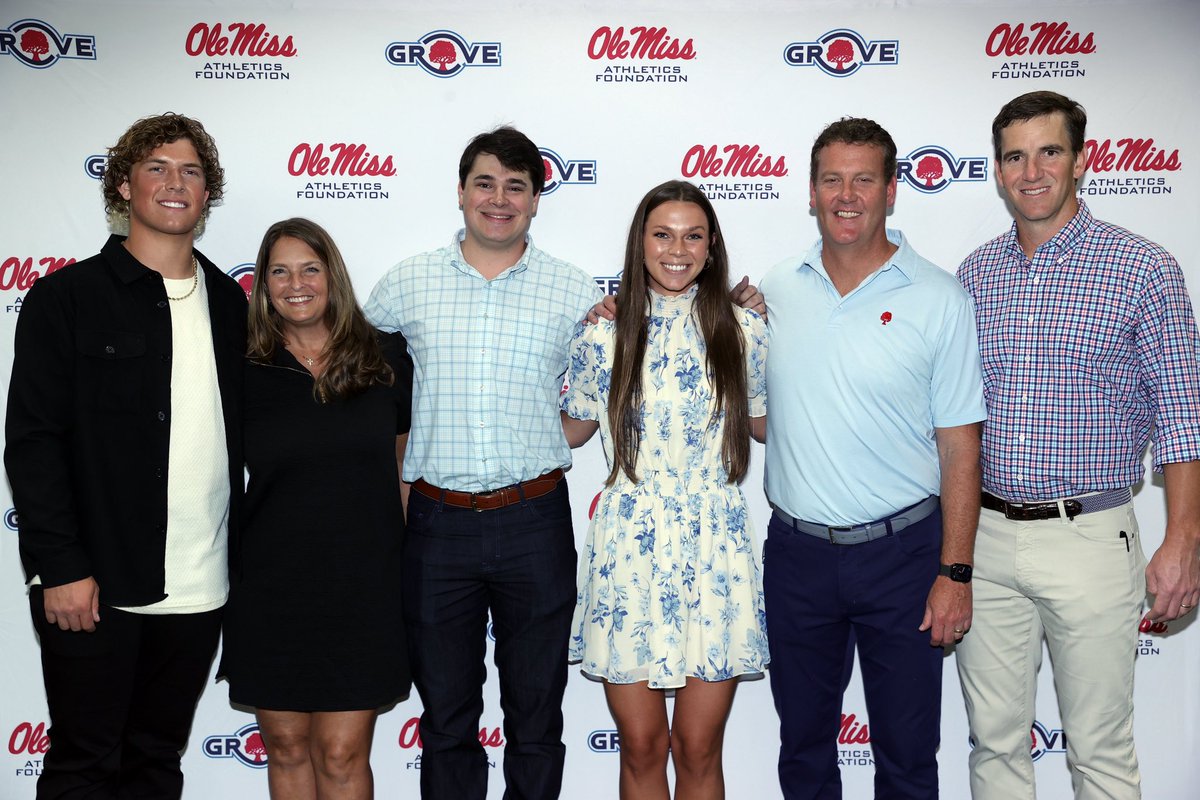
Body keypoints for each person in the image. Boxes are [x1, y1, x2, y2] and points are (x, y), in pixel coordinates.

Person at [955, 91, 1200, 800]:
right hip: (989, 539)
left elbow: (1184, 415)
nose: (1032, 170)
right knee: (995, 743)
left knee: (1099, 749)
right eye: (1014, 156)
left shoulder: (1143, 268)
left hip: (1091, 535)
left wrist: (1184, 538)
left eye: (1049, 151)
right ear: (998, 171)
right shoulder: (975, 275)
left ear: (1081, 161)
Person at [4, 113, 247, 798]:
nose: (176, 183)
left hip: (202, 587)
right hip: (96, 583)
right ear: (123, 185)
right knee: (85, 764)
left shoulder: (232, 306)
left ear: (207, 193)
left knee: (154, 764)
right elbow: (34, 441)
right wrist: (62, 566)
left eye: (192, 171)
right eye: (157, 168)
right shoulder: (67, 299)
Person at [362, 126, 601, 800]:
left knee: (535, 719)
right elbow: (359, 383)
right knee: (445, 720)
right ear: (462, 193)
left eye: (516, 187)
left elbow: (598, 399)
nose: (500, 199)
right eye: (485, 183)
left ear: (535, 200)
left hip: (535, 521)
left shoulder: (574, 290)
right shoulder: (406, 284)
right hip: (437, 525)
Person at [759, 117, 985, 799]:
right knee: (802, 749)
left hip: (906, 559)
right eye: (832, 179)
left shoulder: (940, 298)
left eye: (863, 179)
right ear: (811, 191)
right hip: (797, 557)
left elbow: (960, 449)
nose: (846, 194)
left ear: (892, 189)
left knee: (908, 756)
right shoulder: (777, 289)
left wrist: (955, 572)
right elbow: (763, 417)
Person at [561, 180, 769, 799]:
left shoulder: (745, 330)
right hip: (629, 552)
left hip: (716, 552)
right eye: (662, 233)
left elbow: (764, 424)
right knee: (643, 749)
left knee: (700, 748)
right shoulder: (601, 334)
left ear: (711, 247)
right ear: (640, 242)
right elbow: (570, 432)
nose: (676, 249)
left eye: (692, 235)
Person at [220, 218, 413, 800]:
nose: (295, 283)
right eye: (279, 270)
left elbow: (404, 472)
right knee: (285, 749)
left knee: (341, 751)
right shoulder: (242, 366)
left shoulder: (385, 357)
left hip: (364, 585)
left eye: (310, 268)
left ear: (332, 274)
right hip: (272, 585)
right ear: (263, 284)